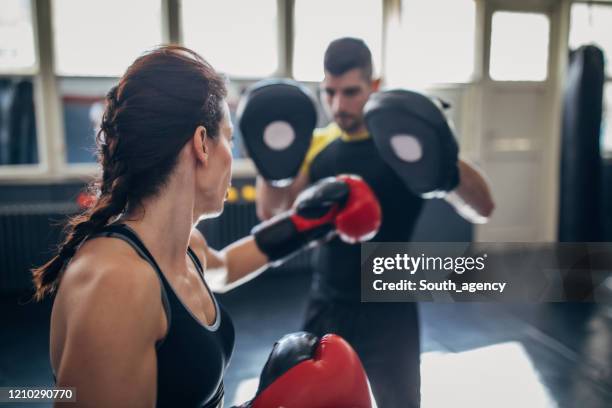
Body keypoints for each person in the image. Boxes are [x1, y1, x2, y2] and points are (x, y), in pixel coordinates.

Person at [31, 45, 380, 408]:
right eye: (229, 139)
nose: (233, 154)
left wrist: (308, 223)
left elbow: (226, 268)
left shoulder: (185, 248)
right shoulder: (117, 283)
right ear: (201, 143)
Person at [255, 37, 495, 407]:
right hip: (328, 301)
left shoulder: (404, 144)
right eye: (329, 93)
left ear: (375, 86)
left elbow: (482, 208)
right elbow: (272, 215)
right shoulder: (317, 146)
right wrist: (273, 165)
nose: (339, 106)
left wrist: (441, 147)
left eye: (351, 92)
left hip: (390, 308)